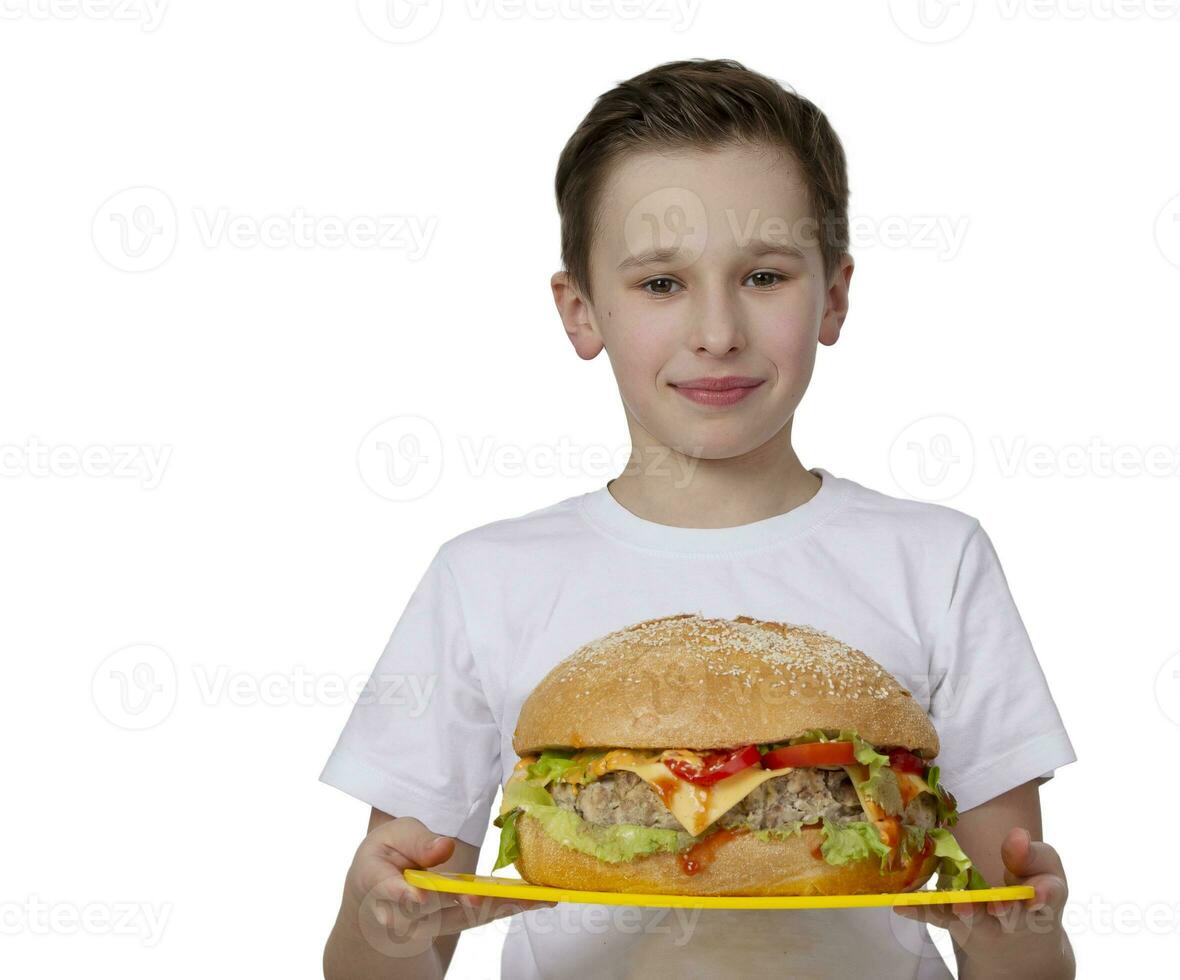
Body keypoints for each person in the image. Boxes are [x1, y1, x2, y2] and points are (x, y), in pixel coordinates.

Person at [321, 57, 1077, 980]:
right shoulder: (484, 578)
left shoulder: (937, 559)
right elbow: (377, 957)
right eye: (660, 284)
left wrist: (1024, 933)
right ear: (580, 310)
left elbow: (1016, 953)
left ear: (834, 295)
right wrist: (386, 927)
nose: (716, 330)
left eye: (763, 276)